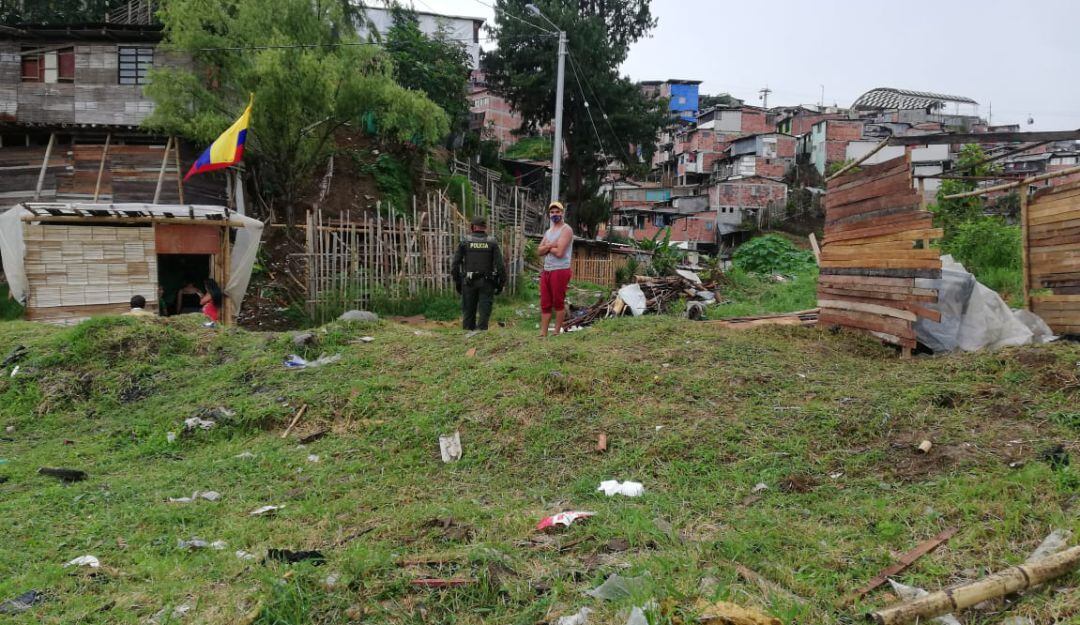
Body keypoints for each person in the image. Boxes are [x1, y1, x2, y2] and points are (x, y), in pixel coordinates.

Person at [451, 216, 505, 331]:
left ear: (472, 227)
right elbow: (500, 266)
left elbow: (455, 264)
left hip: (468, 281)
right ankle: (481, 336)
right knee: (484, 312)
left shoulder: (465, 241)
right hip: (487, 282)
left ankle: (467, 335)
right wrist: (501, 283)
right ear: (485, 228)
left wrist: (458, 282)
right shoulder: (492, 242)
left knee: (468, 312)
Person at [537, 201, 573, 337]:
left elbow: (560, 253)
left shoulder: (566, 229)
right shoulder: (549, 231)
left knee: (558, 301)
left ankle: (557, 332)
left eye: (557, 212)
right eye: (552, 212)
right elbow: (539, 251)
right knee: (545, 302)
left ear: (562, 213)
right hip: (547, 270)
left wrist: (547, 247)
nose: (555, 214)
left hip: (560, 269)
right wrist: (551, 245)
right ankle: (543, 333)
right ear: (549, 214)